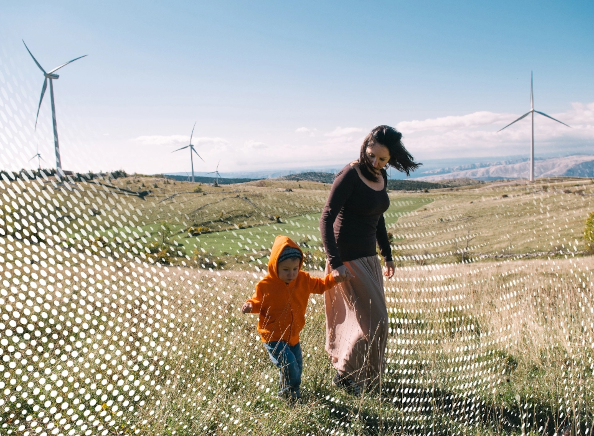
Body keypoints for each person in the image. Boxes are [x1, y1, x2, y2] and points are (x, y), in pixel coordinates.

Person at [320, 125, 420, 395]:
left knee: (368, 322)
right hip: (347, 259)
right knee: (377, 322)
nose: (375, 162)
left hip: (369, 258)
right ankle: (347, 376)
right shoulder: (350, 174)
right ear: (365, 146)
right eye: (371, 154)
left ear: (391, 160)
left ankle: (356, 377)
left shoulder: (380, 176)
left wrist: (387, 255)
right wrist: (336, 262)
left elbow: (378, 218)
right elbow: (326, 217)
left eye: (382, 159)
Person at [241, 235, 348, 401]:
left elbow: (320, 286)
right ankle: (291, 396)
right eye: (286, 269)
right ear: (275, 266)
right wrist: (250, 306)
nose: (291, 273)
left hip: (293, 336)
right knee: (290, 367)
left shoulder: (303, 279)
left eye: (295, 269)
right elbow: (258, 302)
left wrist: (335, 278)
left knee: (296, 367)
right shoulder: (266, 285)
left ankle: (287, 394)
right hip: (273, 336)